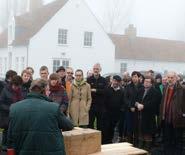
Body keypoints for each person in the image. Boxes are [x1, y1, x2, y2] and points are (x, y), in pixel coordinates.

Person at [7, 78, 74, 155]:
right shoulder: (53, 108)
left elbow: (10, 138)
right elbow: (69, 125)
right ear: (44, 90)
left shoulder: (14, 108)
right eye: (48, 90)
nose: (49, 92)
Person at [160, 71, 185, 155]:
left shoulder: (182, 89)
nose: (170, 79)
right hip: (166, 118)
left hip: (177, 118)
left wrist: (182, 114)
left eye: (172, 78)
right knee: (167, 139)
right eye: (168, 78)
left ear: (176, 78)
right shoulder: (165, 88)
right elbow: (163, 102)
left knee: (177, 139)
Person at [0, 75, 23, 151]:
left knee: (15, 131)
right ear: (12, 84)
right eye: (15, 86)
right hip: (7, 115)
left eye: (18, 86)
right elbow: (1, 103)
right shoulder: (5, 90)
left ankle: (12, 146)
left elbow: (21, 101)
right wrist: (10, 108)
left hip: (16, 115)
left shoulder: (19, 90)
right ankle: (4, 145)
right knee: (6, 131)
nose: (16, 88)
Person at [136, 75, 158, 151]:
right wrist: (137, 104)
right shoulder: (140, 90)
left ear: (151, 83)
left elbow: (153, 103)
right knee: (140, 132)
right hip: (140, 115)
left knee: (147, 134)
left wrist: (143, 106)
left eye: (148, 82)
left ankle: (147, 150)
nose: (146, 83)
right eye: (145, 81)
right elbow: (135, 100)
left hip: (149, 116)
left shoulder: (155, 92)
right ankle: (139, 150)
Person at [102, 75, 125, 144]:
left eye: (117, 81)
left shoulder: (121, 91)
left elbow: (122, 102)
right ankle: (104, 143)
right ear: (112, 81)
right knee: (105, 129)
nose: (115, 83)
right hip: (106, 113)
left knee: (112, 129)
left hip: (115, 114)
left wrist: (120, 110)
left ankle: (110, 143)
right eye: (114, 81)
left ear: (119, 82)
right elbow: (103, 101)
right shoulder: (107, 89)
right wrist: (105, 111)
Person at [87, 63, 107, 131]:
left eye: (97, 69)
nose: (96, 70)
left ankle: (99, 140)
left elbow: (105, 91)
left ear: (100, 70)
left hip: (101, 106)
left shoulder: (104, 80)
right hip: (91, 105)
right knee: (90, 124)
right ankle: (90, 139)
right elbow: (86, 91)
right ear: (93, 70)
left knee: (100, 125)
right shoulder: (88, 80)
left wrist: (96, 90)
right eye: (94, 69)